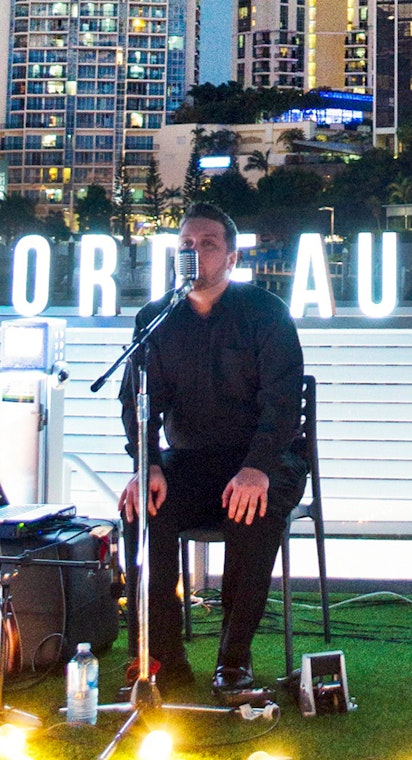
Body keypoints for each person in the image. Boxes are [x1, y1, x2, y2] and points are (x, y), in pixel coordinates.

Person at [118, 202, 307, 699]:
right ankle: (159, 658)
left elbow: (284, 406)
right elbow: (137, 402)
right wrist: (148, 464)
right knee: (141, 511)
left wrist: (257, 468)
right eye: (186, 245)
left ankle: (233, 658)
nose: (195, 253)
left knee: (253, 512)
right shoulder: (155, 319)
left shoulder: (266, 313)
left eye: (207, 244)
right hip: (190, 462)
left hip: (266, 460)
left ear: (231, 256)